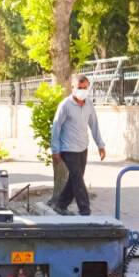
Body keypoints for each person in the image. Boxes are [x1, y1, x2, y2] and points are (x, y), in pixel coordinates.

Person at [49, 74, 106, 216]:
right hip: (68, 149)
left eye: (85, 88)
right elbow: (56, 127)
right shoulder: (65, 105)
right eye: (80, 88)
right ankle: (85, 210)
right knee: (78, 178)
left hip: (82, 148)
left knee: (75, 179)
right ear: (73, 88)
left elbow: (94, 125)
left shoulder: (89, 104)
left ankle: (60, 205)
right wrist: (55, 150)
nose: (83, 90)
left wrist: (100, 145)